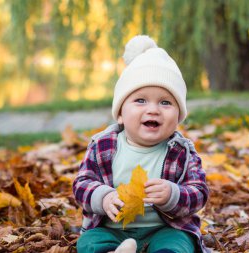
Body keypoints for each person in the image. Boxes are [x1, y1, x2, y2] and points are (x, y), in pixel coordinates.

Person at [73, 35, 210, 253]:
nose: (153, 109)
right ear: (120, 113)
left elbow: (199, 192)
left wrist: (173, 195)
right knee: (89, 242)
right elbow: (81, 184)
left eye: (165, 102)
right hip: (111, 228)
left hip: (164, 228)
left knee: (179, 244)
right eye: (140, 100)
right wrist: (104, 196)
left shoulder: (181, 152)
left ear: (178, 116)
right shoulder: (103, 146)